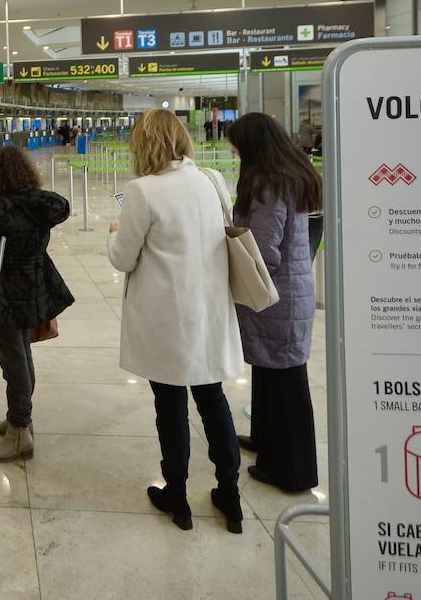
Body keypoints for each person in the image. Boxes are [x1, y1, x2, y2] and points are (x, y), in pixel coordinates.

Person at [107, 109, 244, 534]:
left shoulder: (143, 191)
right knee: (212, 398)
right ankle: (230, 495)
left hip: (167, 317)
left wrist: (114, 232)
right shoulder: (212, 180)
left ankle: (178, 496)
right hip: (210, 311)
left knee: (170, 405)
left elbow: (122, 257)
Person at [0, 146, 73, 462]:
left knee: (13, 361)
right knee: (21, 352)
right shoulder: (40, 205)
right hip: (33, 288)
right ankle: (20, 417)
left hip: (4, 294)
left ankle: (19, 431)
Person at [225, 112, 320, 494]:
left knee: (286, 384)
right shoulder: (288, 174)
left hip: (277, 296)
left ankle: (292, 470)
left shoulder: (267, 184)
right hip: (286, 293)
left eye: (237, 144)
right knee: (269, 373)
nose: (233, 151)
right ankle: (264, 440)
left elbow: (264, 250)